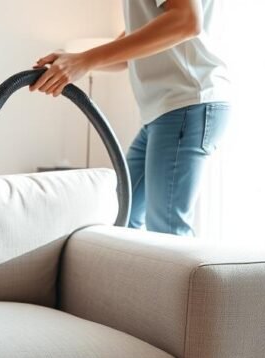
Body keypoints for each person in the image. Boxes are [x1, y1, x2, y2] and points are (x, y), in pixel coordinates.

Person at [30, 0, 230, 236]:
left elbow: (186, 21)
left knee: (167, 231)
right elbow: (133, 47)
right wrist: (78, 58)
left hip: (186, 103)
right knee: (122, 217)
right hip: (164, 111)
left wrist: (84, 61)